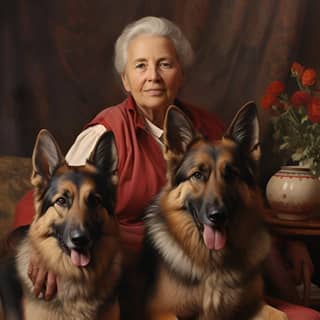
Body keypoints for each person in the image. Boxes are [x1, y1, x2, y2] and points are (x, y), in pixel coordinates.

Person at [12, 16, 320, 319]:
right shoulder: (105, 133)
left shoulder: (208, 129)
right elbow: (47, 194)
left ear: (181, 74)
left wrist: (287, 242)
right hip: (132, 281)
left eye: (165, 64)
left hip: (208, 274)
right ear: (125, 80)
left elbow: (241, 198)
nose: (153, 76)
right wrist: (36, 248)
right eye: (141, 65)